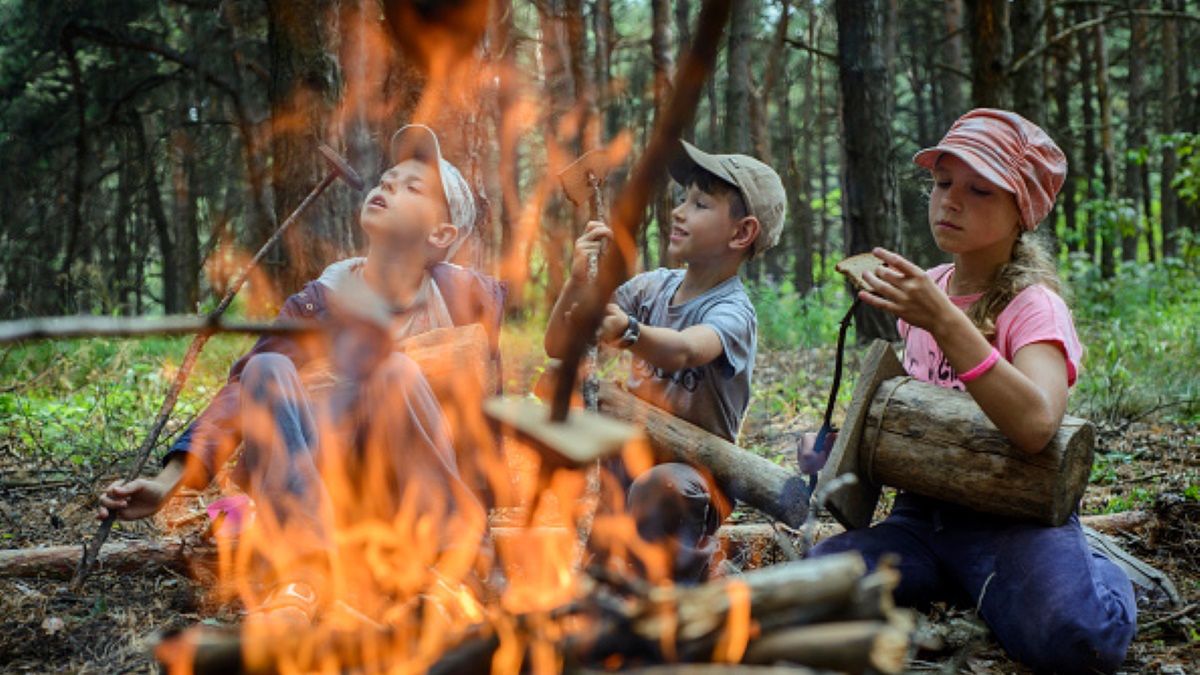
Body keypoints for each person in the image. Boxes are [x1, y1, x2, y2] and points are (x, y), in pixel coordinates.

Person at [96, 124, 503, 624]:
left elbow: (485, 428)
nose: (386, 186)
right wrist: (167, 483)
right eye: (386, 179)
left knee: (395, 370)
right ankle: (303, 580)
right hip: (326, 504)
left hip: (411, 507)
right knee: (265, 365)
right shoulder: (318, 303)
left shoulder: (466, 302)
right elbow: (238, 397)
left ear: (440, 235)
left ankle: (451, 574)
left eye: (411, 187)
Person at [806, 109, 1136, 673]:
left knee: (1082, 641)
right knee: (809, 586)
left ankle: (1095, 569)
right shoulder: (927, 290)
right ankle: (971, 584)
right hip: (921, 519)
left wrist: (944, 321)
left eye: (979, 190)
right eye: (942, 183)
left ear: (1021, 212)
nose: (950, 201)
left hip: (1012, 522)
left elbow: (1037, 424)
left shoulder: (1033, 307)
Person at [544, 140, 787, 583]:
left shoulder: (733, 311)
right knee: (570, 426)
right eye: (682, 199)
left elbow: (687, 350)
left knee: (663, 486)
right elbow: (559, 345)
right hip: (628, 458)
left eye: (700, 204)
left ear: (741, 233)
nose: (678, 212)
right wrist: (578, 279)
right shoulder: (651, 287)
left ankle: (689, 584)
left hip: (695, 477)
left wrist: (630, 332)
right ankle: (601, 573)